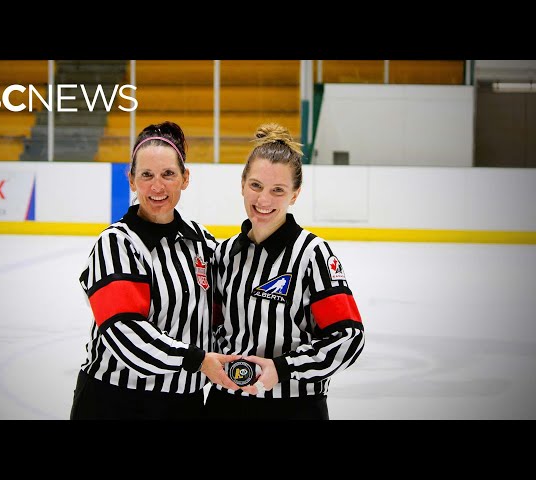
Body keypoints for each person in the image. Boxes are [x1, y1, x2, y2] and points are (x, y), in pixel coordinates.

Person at [70, 121, 241, 420]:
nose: (157, 186)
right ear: (132, 179)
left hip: (184, 405)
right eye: (146, 175)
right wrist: (197, 360)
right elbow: (124, 334)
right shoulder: (116, 244)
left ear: (185, 178)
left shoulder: (202, 242)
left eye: (168, 174)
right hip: (115, 403)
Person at [204, 122, 365, 420]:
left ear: (294, 194)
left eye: (278, 190)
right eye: (256, 186)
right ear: (242, 184)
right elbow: (208, 329)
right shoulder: (224, 255)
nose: (263, 200)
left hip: (294, 408)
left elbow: (348, 337)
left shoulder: (312, 255)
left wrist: (283, 368)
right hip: (224, 405)